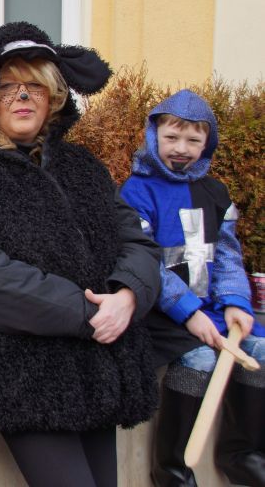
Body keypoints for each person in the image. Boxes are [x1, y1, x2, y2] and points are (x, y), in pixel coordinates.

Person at [0, 22, 161, 487]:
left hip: (96, 361)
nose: (22, 97)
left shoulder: (83, 168)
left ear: (54, 96)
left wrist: (128, 295)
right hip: (18, 370)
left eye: (35, 86)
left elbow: (136, 241)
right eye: (8, 87)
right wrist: (89, 312)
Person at [120, 89, 264, 487]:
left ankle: (243, 454)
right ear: (154, 136)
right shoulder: (136, 191)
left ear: (207, 143)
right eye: (172, 137)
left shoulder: (216, 193)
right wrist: (188, 311)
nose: (181, 148)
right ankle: (172, 469)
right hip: (162, 312)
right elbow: (145, 260)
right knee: (199, 357)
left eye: (193, 139)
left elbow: (228, 254)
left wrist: (235, 303)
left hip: (211, 309)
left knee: (259, 349)